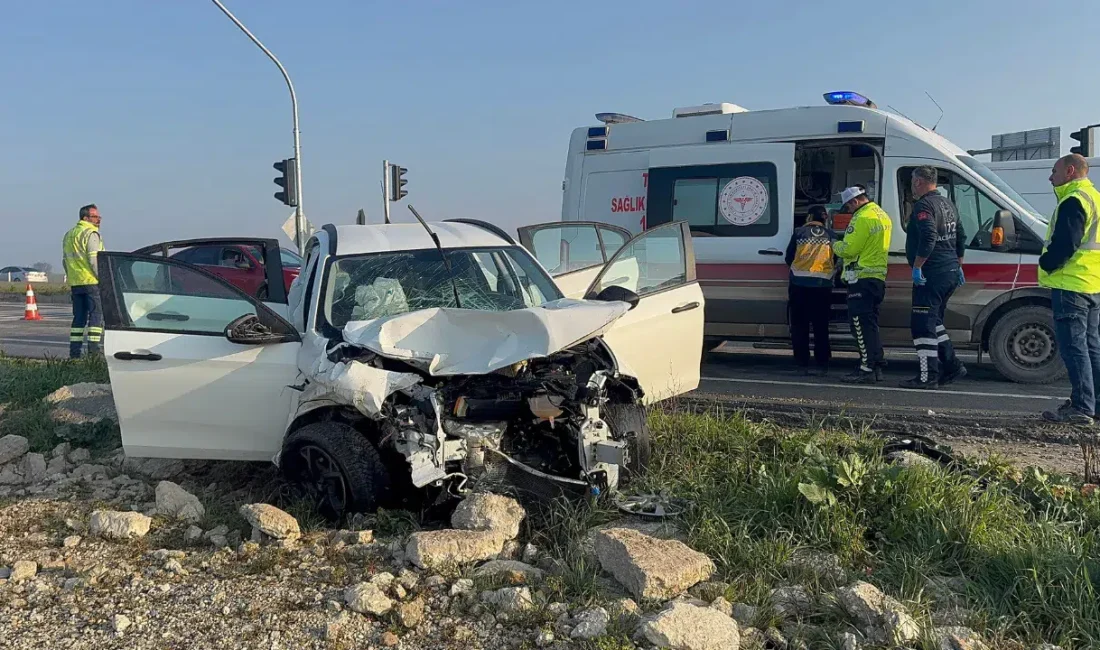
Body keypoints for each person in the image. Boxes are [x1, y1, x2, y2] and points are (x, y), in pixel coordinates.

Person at [1038, 154, 1100, 424]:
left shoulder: (1074, 199)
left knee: (1074, 349)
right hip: (1092, 284)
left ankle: (1081, 407)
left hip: (1070, 284)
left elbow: (1065, 244)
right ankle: (1094, 404)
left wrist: (1046, 262)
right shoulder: (1095, 197)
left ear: (1070, 171)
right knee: (1091, 348)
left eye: (1054, 171)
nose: (1051, 178)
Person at [899, 166, 968, 389]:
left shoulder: (924, 206)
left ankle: (927, 377)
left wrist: (918, 266)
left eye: (912, 182)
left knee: (922, 325)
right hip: (948, 271)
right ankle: (952, 366)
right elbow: (961, 235)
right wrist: (958, 264)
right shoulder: (948, 204)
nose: (911, 186)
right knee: (934, 320)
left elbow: (929, 235)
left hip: (931, 274)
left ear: (919, 182)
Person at [834, 187, 892, 383]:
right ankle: (876, 365)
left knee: (859, 325)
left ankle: (866, 367)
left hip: (861, 278)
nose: (849, 210)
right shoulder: (882, 214)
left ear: (855, 202)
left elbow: (849, 249)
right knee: (871, 325)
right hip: (877, 278)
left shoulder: (861, 218)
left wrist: (833, 243)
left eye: (849, 206)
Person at [785, 205, 837, 375]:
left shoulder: (799, 233)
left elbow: (789, 257)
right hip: (822, 286)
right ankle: (822, 361)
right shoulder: (831, 236)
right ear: (825, 219)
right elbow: (836, 258)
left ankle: (801, 361)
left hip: (799, 285)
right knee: (821, 326)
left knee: (800, 325)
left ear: (809, 217)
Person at [62, 204, 104, 358]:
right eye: (95, 217)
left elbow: (65, 261)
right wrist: (102, 279)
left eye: (99, 217)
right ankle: (93, 353)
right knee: (96, 316)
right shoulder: (90, 233)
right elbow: (94, 260)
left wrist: (72, 276)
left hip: (76, 283)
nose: (99, 220)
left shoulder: (69, 234)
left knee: (78, 319)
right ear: (85, 218)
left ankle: (74, 354)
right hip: (91, 282)